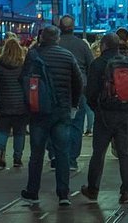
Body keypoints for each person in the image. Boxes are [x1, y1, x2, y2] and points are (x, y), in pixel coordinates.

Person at [20, 25, 84, 208]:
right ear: (57, 39)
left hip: (38, 112)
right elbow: (78, 82)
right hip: (61, 112)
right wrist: (73, 104)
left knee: (36, 154)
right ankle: (63, 194)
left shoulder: (33, 56)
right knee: (62, 152)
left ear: (41, 38)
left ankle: (33, 192)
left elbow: (23, 81)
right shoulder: (67, 56)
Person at [81, 31, 128, 206]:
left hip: (104, 116)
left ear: (104, 46)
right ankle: (126, 192)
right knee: (125, 154)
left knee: (98, 153)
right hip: (124, 114)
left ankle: (93, 189)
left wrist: (97, 109)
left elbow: (90, 93)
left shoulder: (97, 64)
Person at [58, 14, 94, 173]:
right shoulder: (82, 45)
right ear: (73, 27)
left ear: (60, 27)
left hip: (58, 89)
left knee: (57, 123)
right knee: (77, 124)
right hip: (79, 89)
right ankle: (72, 159)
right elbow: (91, 66)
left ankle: (57, 156)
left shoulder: (54, 44)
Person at [0, 37, 28, 169]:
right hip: (21, 105)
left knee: (2, 131)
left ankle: (1, 151)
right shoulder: (24, 66)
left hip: (3, 105)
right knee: (19, 133)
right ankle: (17, 158)